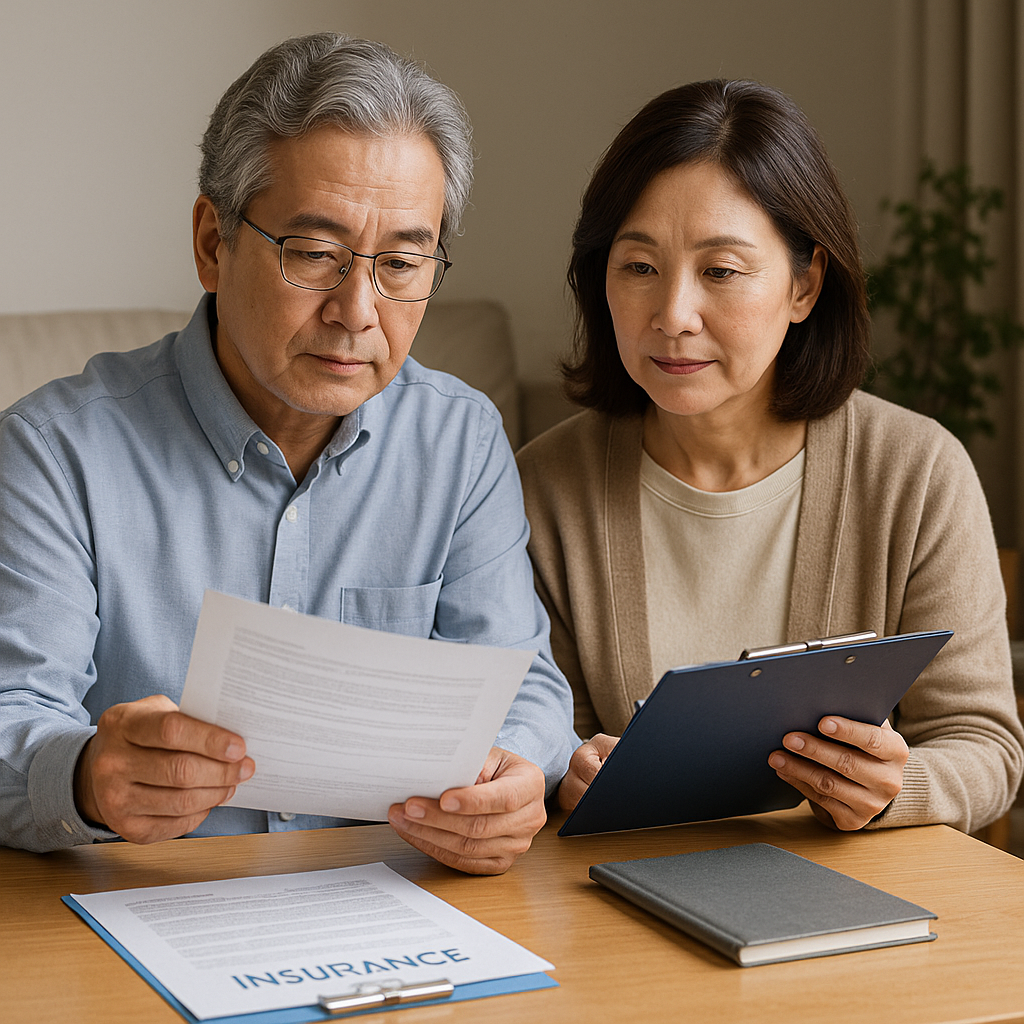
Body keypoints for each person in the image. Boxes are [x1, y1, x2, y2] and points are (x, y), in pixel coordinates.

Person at [0, 33, 576, 874]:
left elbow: (526, 687)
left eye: (401, 263)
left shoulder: (461, 441)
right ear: (213, 242)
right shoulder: (55, 454)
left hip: (391, 894)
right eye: (313, 254)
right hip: (145, 900)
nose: (358, 311)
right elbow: (12, 711)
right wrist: (87, 778)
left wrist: (516, 772)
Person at [517, 79, 1024, 834]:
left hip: (857, 890)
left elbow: (985, 746)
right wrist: (569, 770)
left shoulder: (916, 473)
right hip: (624, 885)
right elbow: (548, 732)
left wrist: (895, 787)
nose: (673, 316)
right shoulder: (544, 489)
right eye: (639, 267)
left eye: (720, 271)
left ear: (804, 285)